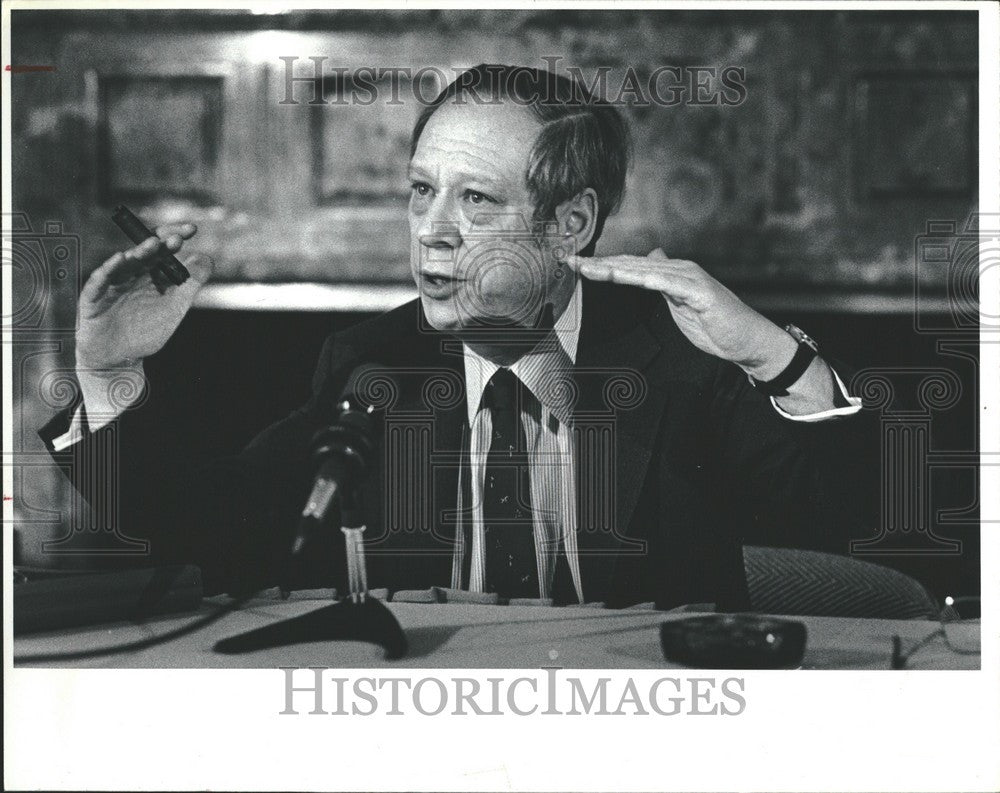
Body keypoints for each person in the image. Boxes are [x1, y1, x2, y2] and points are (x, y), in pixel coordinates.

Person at [40, 65, 873, 609]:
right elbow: (216, 534)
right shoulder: (371, 365)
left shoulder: (685, 358)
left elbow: (859, 518)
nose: (432, 232)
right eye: (421, 192)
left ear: (571, 224)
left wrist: (775, 355)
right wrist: (109, 371)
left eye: (476, 200)